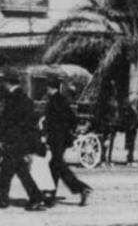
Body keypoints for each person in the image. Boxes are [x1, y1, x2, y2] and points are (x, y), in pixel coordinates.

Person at [0, 71, 47, 212]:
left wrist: (2, 137)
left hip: (13, 140)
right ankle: (2, 197)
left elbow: (7, 121)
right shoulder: (25, 98)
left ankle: (35, 197)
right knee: (9, 169)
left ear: (7, 83)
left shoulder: (12, 98)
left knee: (19, 171)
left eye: (3, 83)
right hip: (21, 140)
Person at [43, 77, 92, 206]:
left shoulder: (54, 101)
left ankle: (81, 188)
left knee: (57, 164)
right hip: (62, 137)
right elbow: (72, 119)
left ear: (50, 88)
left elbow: (53, 121)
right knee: (54, 164)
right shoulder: (62, 100)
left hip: (56, 137)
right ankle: (50, 195)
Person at [121, 99, 138, 164]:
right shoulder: (130, 110)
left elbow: (137, 119)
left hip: (133, 129)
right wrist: (132, 126)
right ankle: (129, 160)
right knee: (130, 145)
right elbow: (130, 119)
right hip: (130, 129)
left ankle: (130, 158)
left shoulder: (134, 110)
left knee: (131, 145)